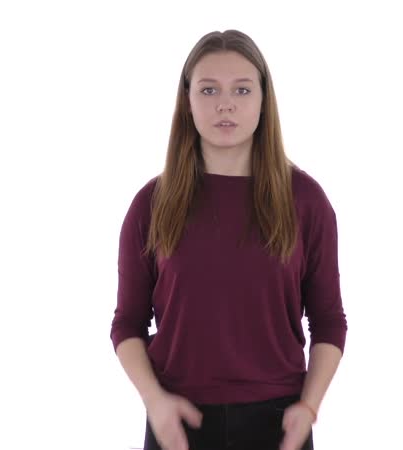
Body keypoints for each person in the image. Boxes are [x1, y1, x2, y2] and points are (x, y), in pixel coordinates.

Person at [110, 29, 347, 450]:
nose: (225, 104)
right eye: (208, 89)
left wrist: (309, 407)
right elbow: (127, 323)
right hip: (178, 423)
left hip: (278, 423)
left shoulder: (306, 201)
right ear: (187, 100)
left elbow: (329, 321)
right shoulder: (152, 204)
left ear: (263, 99)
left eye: (242, 89)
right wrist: (154, 401)